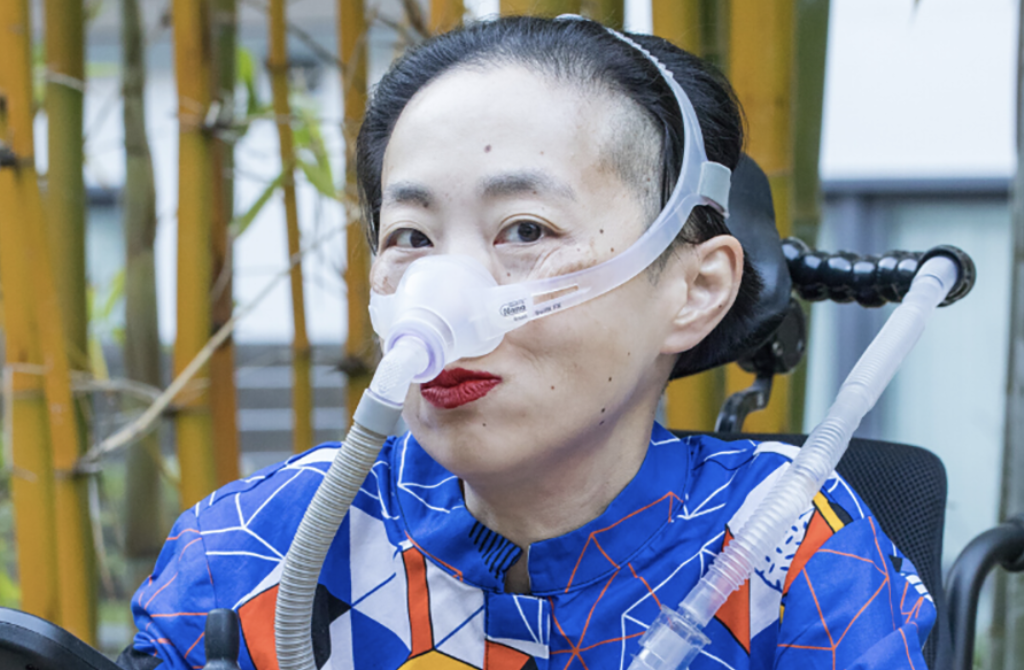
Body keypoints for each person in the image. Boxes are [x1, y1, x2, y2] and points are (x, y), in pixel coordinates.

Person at [118, 16, 935, 670]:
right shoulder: (251, 550)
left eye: (524, 229)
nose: (443, 294)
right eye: (410, 235)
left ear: (696, 288)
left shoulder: (789, 552)